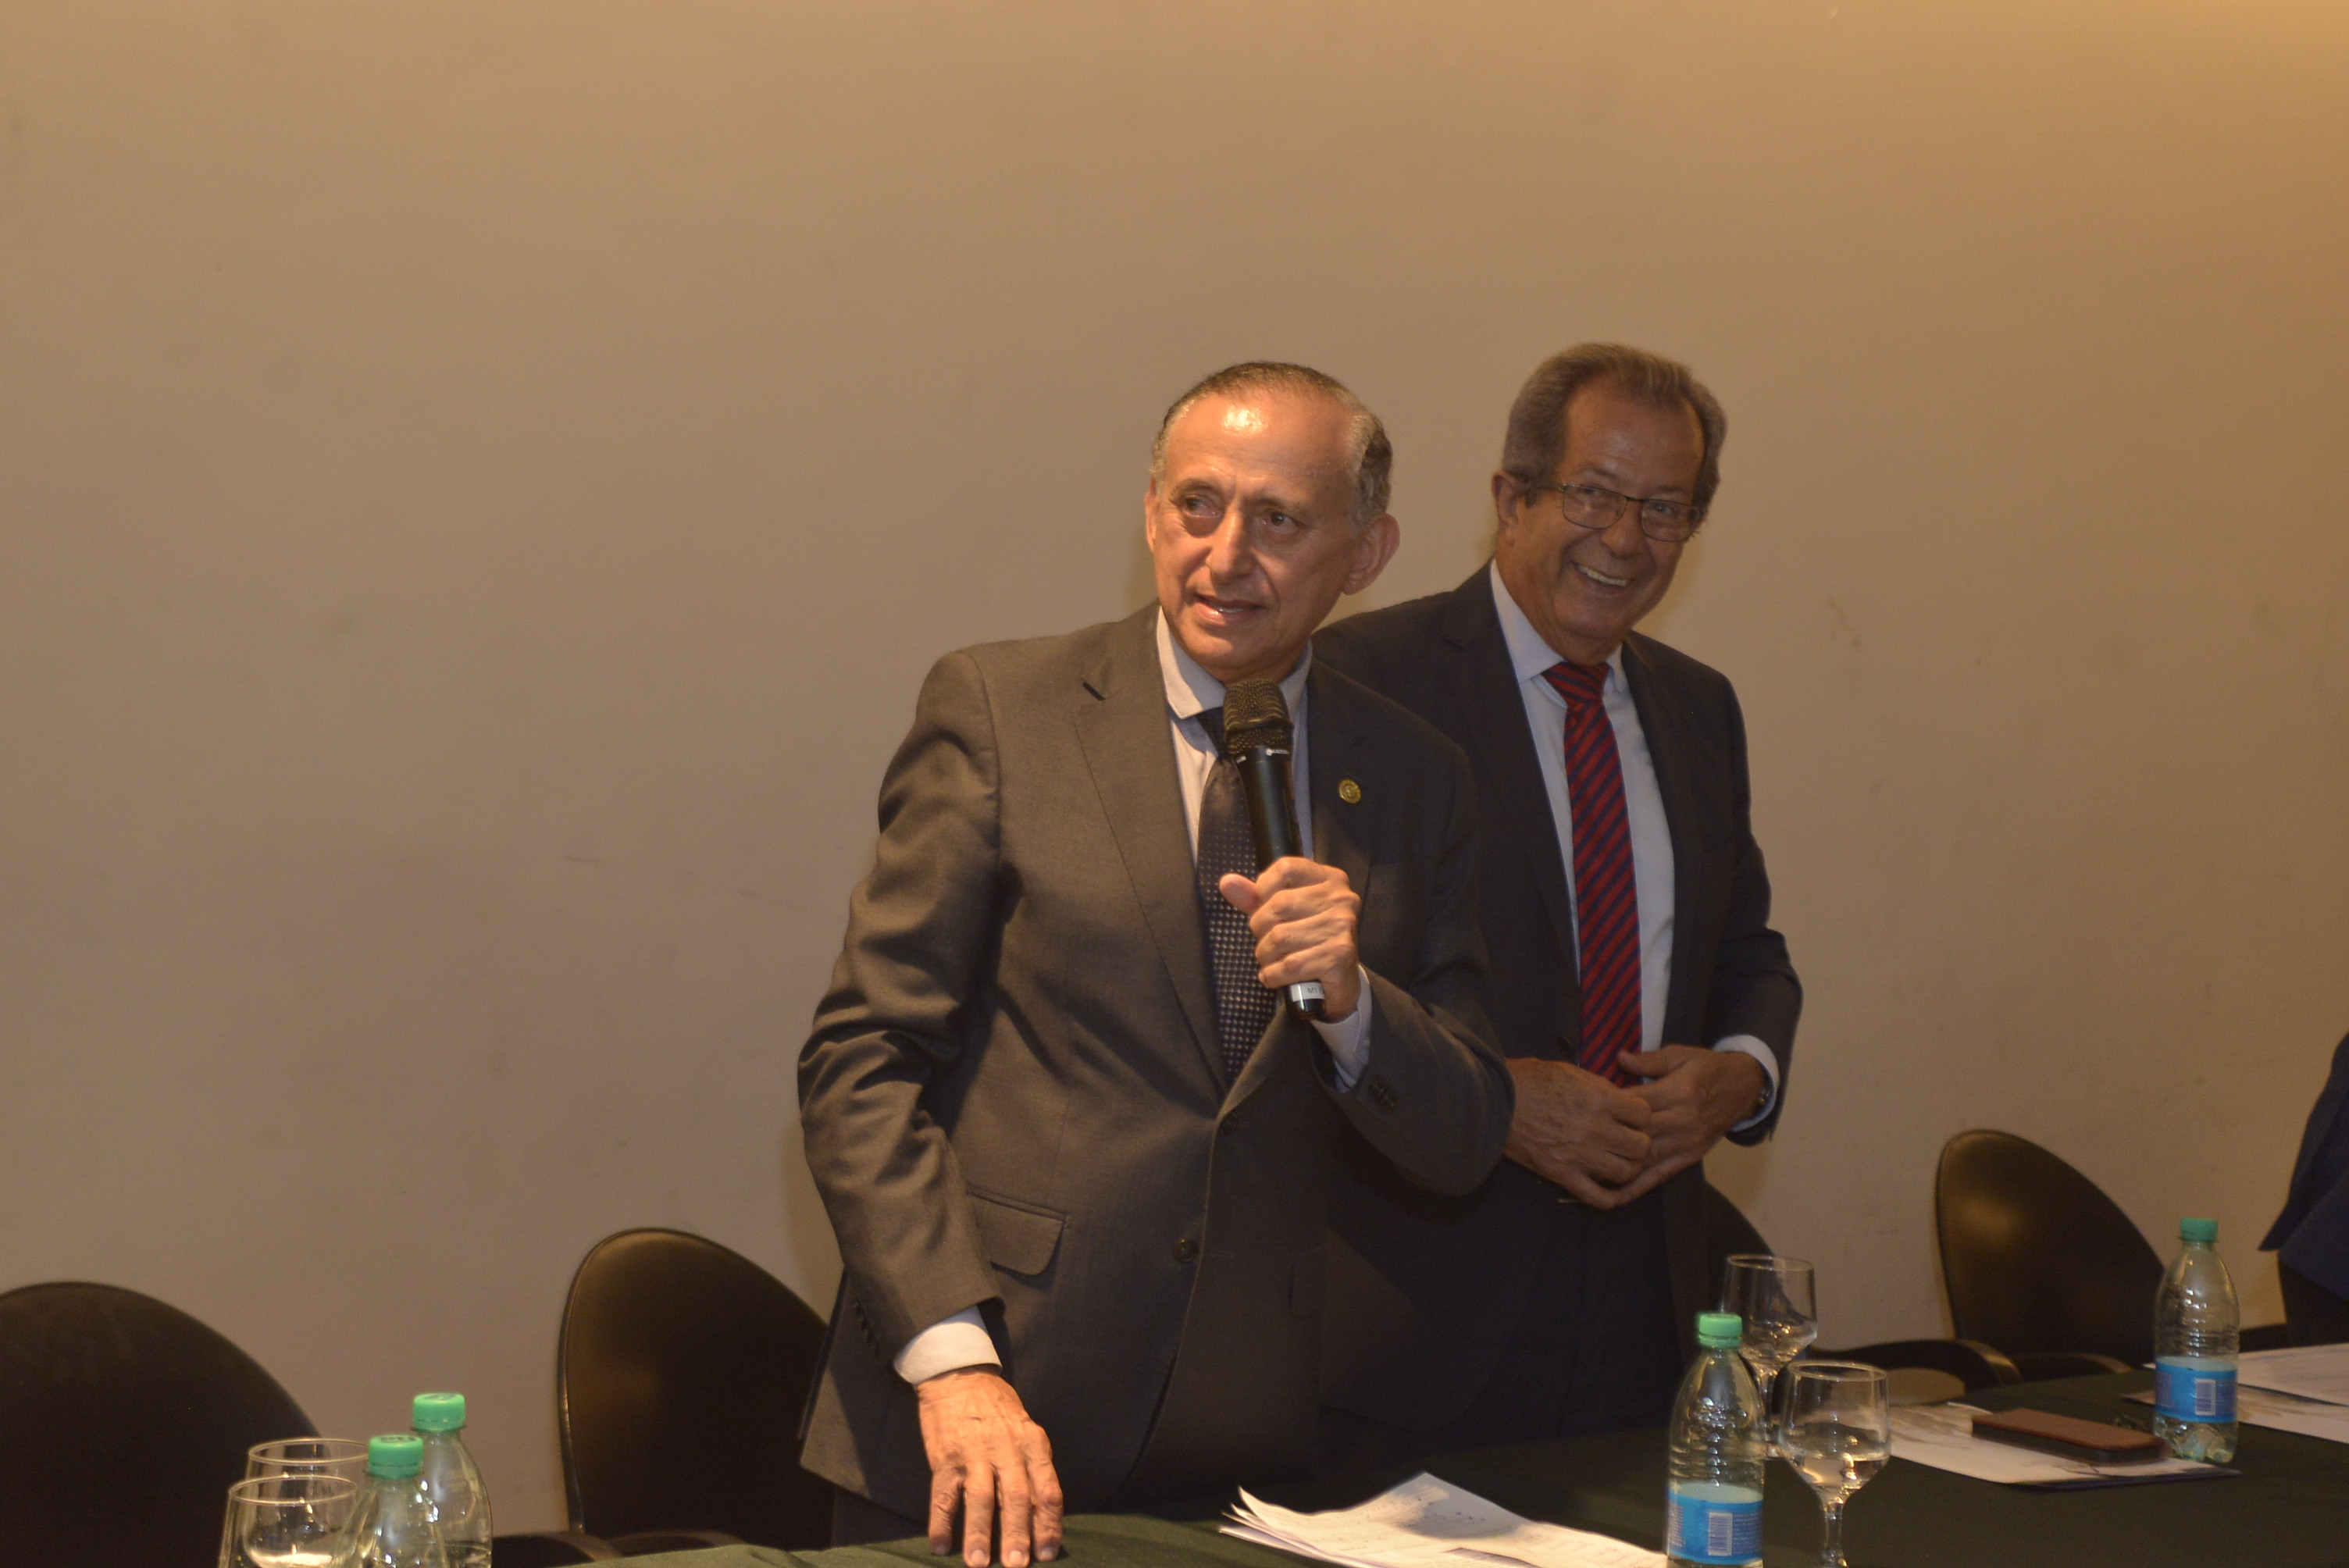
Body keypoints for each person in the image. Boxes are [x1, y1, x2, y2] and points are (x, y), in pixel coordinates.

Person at [797, 362, 1513, 1564]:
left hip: (1241, 1452)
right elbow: (860, 1063)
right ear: (1149, 515)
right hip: (978, 1432)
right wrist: (954, 1365)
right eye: (1197, 506)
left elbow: (1466, 1134)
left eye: (1278, 520)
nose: (1225, 556)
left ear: (1366, 552)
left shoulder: (1414, 778)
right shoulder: (1003, 711)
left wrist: (1354, 1010)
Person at [1313, 343, 1802, 1463]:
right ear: (1511, 498)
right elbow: (1306, 980)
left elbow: (1748, 950)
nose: (1624, 539)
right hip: (1424, 1313)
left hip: (1648, 1307)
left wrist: (1741, 1074)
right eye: (1593, 493)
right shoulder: (1363, 682)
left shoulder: (1699, 709)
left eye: (1665, 509)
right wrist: (1493, 1104)